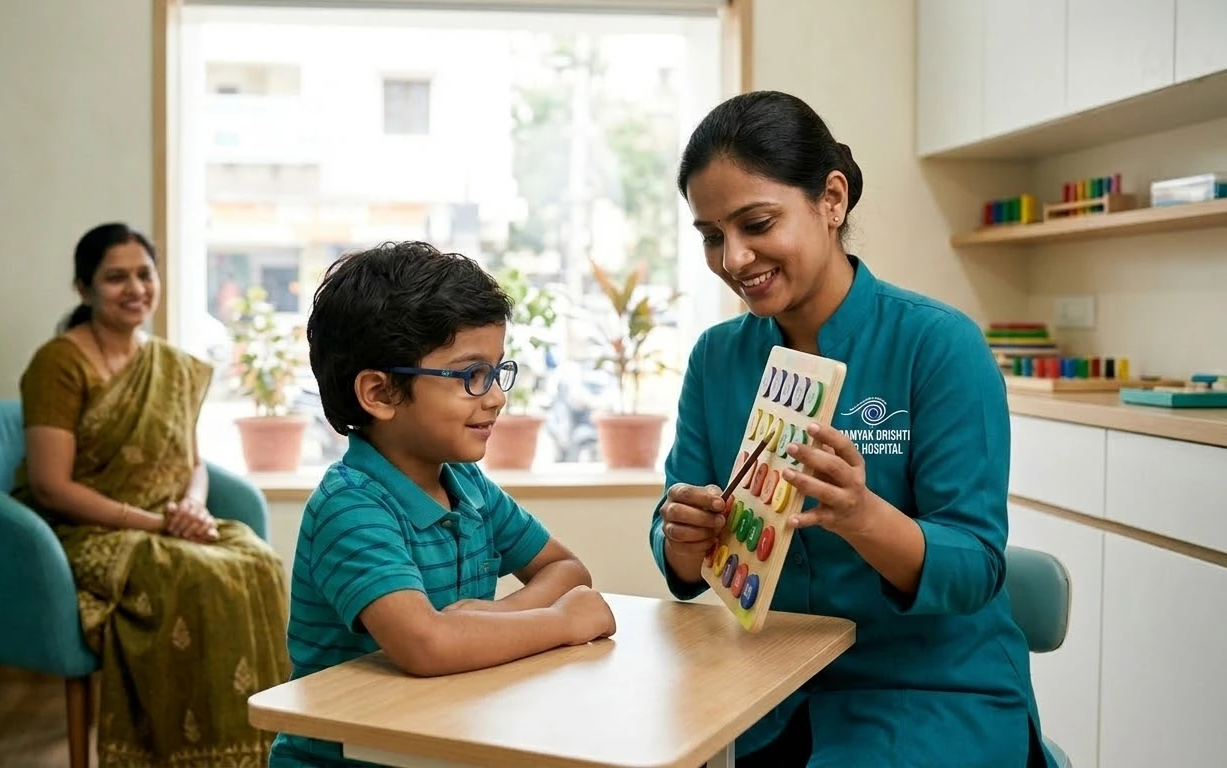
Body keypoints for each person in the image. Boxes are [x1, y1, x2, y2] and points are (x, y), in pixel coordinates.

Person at [651, 91, 1054, 768]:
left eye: (756, 223)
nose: (734, 258)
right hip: (770, 695)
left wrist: (863, 515)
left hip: (930, 694)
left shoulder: (940, 345)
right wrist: (683, 536)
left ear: (831, 199)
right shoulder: (717, 358)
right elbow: (678, 550)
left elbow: (978, 567)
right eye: (712, 236)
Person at [270, 241, 617, 768]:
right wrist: (564, 623)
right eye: (470, 375)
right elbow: (427, 644)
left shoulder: (467, 485)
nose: (497, 395)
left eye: (498, 371)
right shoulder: (351, 507)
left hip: (437, 746)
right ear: (381, 394)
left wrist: (490, 616)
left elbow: (566, 569)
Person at [10, 222, 290, 768]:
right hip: (87, 529)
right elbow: (50, 484)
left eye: (145, 273)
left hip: (167, 520)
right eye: (116, 278)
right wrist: (156, 524)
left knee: (258, 561)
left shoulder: (170, 364)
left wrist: (191, 506)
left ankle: (261, 749)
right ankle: (183, 754)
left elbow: (193, 463)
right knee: (197, 576)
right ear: (83, 288)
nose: (135, 288)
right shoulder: (59, 363)